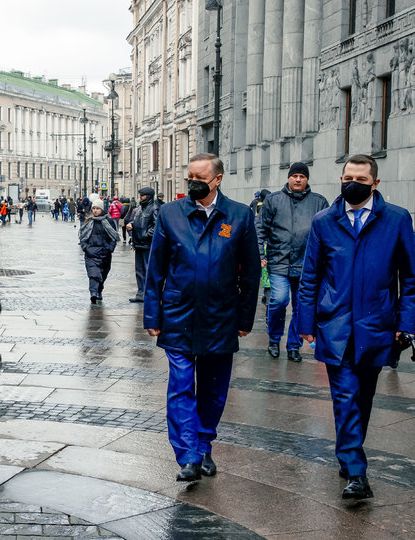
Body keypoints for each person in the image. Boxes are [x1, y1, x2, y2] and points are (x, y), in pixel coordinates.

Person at [297, 154, 415, 500]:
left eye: (361, 180)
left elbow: (410, 279)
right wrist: (306, 323)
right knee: (345, 396)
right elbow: (310, 277)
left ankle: (348, 452)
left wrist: (406, 323)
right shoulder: (324, 221)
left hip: (377, 325)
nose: (353, 184)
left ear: (375, 184)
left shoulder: (396, 220)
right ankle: (357, 471)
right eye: (348, 177)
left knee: (363, 398)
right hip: (335, 325)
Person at [144, 153, 261, 482]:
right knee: (181, 385)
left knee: (213, 388)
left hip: (221, 315)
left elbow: (251, 273)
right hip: (178, 313)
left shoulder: (239, 216)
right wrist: (153, 314)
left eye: (200, 177)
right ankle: (188, 455)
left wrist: (245, 319)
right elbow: (156, 269)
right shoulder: (170, 214)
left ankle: (204, 444)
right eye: (189, 176)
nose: (193, 182)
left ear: (218, 179)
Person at [257, 162, 329, 362]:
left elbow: (328, 233)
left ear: (307, 179)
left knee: (301, 306)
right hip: (279, 262)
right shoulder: (273, 200)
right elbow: (260, 229)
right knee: (279, 300)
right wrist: (260, 255)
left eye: (302, 176)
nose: (298, 179)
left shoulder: (319, 202)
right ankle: (274, 339)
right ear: (288, 178)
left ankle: (294, 345)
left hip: (306, 265)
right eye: (294, 176)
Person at [79, 199, 119, 304]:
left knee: (103, 274)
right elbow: (83, 236)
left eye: (97, 208)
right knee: (93, 274)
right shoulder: (88, 221)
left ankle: (99, 290)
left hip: (104, 253)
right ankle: (93, 293)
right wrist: (85, 247)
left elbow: (113, 236)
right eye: (94, 208)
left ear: (102, 209)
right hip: (91, 253)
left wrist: (110, 248)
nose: (95, 211)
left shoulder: (109, 222)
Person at [127, 187, 159, 302]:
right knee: (139, 270)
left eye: (143, 195)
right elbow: (137, 221)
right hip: (138, 243)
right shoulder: (139, 209)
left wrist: (145, 234)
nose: (140, 197)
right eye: (140, 195)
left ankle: (149, 294)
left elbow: (157, 226)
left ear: (149, 196)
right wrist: (131, 224)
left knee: (147, 269)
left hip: (147, 244)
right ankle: (140, 293)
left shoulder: (154, 208)